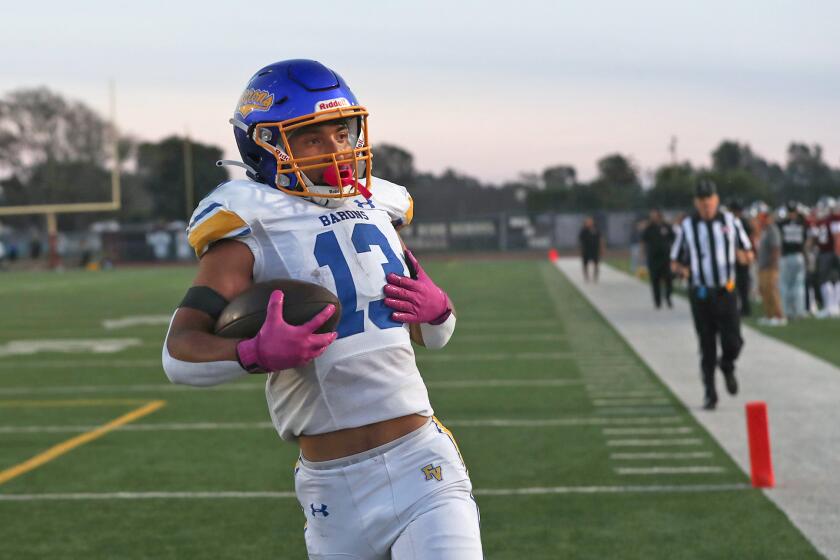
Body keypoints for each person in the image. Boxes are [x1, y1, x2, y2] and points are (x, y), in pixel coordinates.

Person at [162, 60, 482, 559]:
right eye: (311, 137)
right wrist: (252, 352)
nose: (336, 149)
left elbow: (432, 336)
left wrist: (439, 312)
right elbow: (178, 356)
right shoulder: (249, 224)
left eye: (340, 131)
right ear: (265, 145)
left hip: (422, 463)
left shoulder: (379, 206)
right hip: (332, 490)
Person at [670, 179, 753, 410]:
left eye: (710, 201)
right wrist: (681, 270)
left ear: (716, 200)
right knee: (706, 346)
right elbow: (675, 260)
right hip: (701, 294)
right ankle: (710, 392)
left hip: (726, 291)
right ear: (696, 203)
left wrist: (743, 258)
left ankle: (727, 364)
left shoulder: (730, 221)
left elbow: (748, 252)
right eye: (702, 202)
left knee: (734, 341)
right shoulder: (688, 226)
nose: (706, 206)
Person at [755, 204, 785, 326]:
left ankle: (779, 316)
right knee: (764, 291)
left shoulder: (773, 230)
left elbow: (776, 249)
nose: (761, 219)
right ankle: (769, 315)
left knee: (772, 291)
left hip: (770, 267)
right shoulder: (764, 230)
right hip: (763, 266)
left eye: (763, 217)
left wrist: (774, 265)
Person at [777, 201, 807, 319]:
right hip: (798, 255)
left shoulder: (782, 224)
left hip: (786, 256)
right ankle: (799, 311)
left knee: (785, 285)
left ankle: (787, 311)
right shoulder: (801, 223)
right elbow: (805, 240)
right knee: (798, 285)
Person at [811, 197, 839, 317]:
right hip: (830, 252)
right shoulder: (830, 220)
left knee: (828, 280)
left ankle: (832, 306)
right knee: (833, 280)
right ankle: (832, 306)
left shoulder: (827, 220)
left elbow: (836, 237)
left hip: (828, 253)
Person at [641, 208, 674, 308]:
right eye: (651, 215)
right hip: (653, 258)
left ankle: (668, 297)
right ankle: (657, 301)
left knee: (668, 279)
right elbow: (643, 241)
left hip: (666, 257)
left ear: (659, 215)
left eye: (654, 214)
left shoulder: (667, 226)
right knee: (655, 280)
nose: (653, 217)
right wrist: (643, 253)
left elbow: (674, 239)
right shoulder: (649, 228)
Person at [728, 200, 753, 316]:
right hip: (737, 257)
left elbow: (747, 240)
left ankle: (744, 308)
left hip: (740, 257)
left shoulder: (739, 223)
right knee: (734, 284)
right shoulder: (741, 222)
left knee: (740, 285)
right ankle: (739, 306)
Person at [578, 216, 603, 282]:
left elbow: (600, 239)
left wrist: (601, 248)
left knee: (596, 263)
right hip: (586, 250)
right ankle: (586, 277)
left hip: (594, 250)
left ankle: (595, 276)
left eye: (591, 222)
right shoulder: (583, 230)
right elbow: (581, 239)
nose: (590, 223)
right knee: (585, 264)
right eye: (588, 222)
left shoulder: (596, 229)